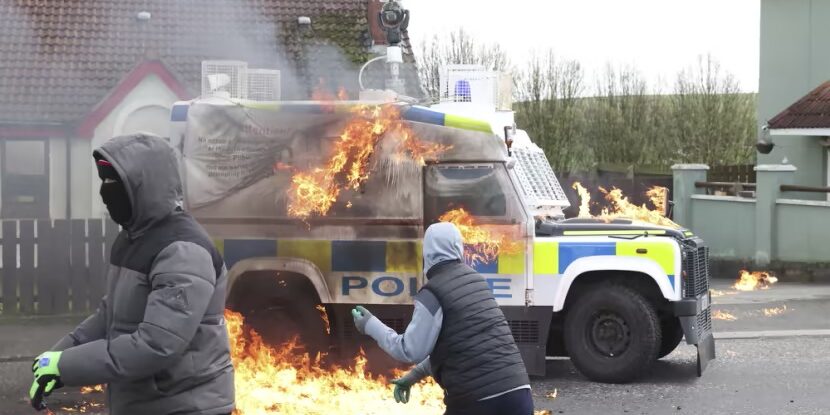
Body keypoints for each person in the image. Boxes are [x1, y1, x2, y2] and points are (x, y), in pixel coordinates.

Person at [29, 133, 235, 414]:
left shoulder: (182, 251)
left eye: (114, 183)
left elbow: (156, 345)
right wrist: (57, 356)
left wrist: (64, 368)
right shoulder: (133, 239)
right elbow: (108, 316)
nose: (104, 191)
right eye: (103, 181)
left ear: (144, 186)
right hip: (145, 404)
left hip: (184, 405)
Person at [352, 222, 534, 415]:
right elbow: (459, 350)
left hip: (477, 400)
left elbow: (409, 350)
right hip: (519, 394)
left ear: (427, 253)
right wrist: (414, 376)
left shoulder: (433, 292)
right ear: (458, 248)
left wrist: (369, 325)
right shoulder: (476, 281)